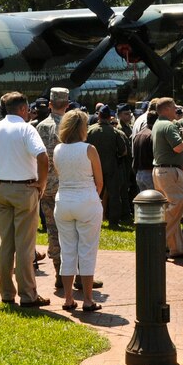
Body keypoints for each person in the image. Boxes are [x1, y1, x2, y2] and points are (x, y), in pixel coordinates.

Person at [0, 91, 50, 308]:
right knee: (25, 245)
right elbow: (43, 157)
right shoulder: (26, 129)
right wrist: (42, 183)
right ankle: (28, 294)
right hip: (24, 189)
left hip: (2, 188)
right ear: (23, 109)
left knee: (5, 244)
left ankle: (7, 293)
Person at [52, 109, 103, 312]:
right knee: (87, 250)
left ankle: (67, 298)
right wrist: (93, 195)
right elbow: (99, 181)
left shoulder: (58, 149)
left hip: (63, 201)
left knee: (68, 250)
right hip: (87, 200)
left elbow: (60, 174)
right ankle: (88, 299)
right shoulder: (89, 149)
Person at [34, 87, 69, 282]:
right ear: (67, 103)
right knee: (73, 230)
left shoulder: (40, 126)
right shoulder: (71, 125)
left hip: (46, 185)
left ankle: (58, 271)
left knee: (52, 229)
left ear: (49, 104)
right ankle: (77, 274)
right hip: (67, 185)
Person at [151, 97, 183, 259]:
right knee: (175, 208)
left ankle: (177, 249)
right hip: (169, 172)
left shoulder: (158, 124)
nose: (177, 110)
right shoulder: (167, 125)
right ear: (167, 109)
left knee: (170, 208)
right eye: (174, 107)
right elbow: (178, 147)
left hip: (160, 171)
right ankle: (160, 243)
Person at [87, 104, 129, 227]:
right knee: (114, 195)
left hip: (93, 168)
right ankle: (113, 222)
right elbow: (123, 151)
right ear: (110, 117)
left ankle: (92, 220)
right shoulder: (115, 132)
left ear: (98, 116)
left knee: (93, 194)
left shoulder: (90, 130)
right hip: (111, 167)